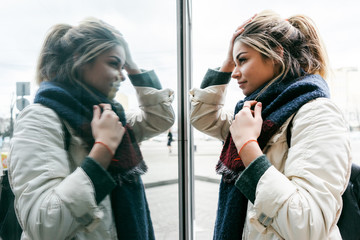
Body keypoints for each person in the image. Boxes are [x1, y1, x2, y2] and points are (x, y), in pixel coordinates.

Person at [190, 10, 351, 239]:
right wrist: (227, 61)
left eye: (243, 60)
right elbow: (201, 116)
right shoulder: (255, 111)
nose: (234, 73)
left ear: (276, 54)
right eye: (233, 63)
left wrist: (247, 147)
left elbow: (307, 225)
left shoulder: (317, 112)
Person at [8, 18, 175, 240]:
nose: (123, 75)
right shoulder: (40, 118)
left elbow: (161, 118)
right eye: (114, 64)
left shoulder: (108, 115)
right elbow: (44, 225)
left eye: (124, 67)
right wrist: (103, 149)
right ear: (80, 60)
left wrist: (132, 64)